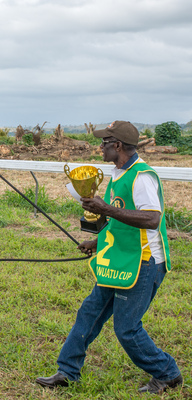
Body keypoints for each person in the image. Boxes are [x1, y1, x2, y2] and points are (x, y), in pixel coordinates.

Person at [35, 121, 182, 394]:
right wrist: (97, 240)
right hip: (117, 258)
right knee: (89, 314)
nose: (99, 147)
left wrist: (105, 209)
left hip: (143, 263)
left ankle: (168, 373)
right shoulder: (116, 174)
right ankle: (67, 371)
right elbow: (118, 219)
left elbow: (152, 218)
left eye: (103, 142)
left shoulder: (142, 177)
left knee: (127, 329)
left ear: (117, 145)